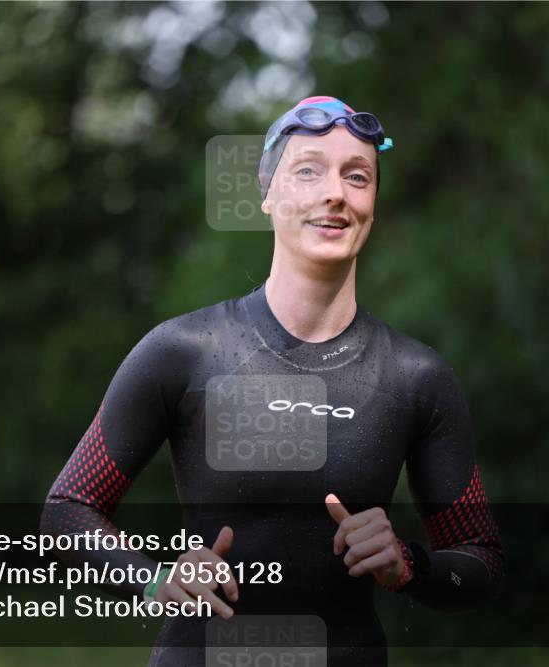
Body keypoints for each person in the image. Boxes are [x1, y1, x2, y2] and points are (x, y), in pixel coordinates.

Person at [41, 95, 504, 667]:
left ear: (373, 203)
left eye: (356, 176)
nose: (335, 192)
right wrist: (151, 576)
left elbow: (480, 561)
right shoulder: (183, 352)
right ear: (268, 193)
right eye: (308, 170)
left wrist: (408, 564)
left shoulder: (416, 378)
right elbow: (66, 510)